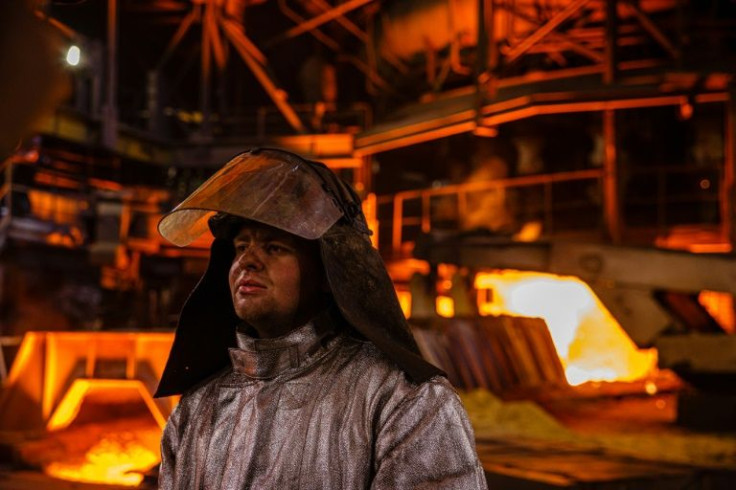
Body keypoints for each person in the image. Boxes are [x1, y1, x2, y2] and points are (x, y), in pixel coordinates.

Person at [155, 148, 487, 489]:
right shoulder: (198, 409)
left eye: (274, 248)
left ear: (330, 275)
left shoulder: (404, 401)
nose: (247, 261)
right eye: (241, 247)